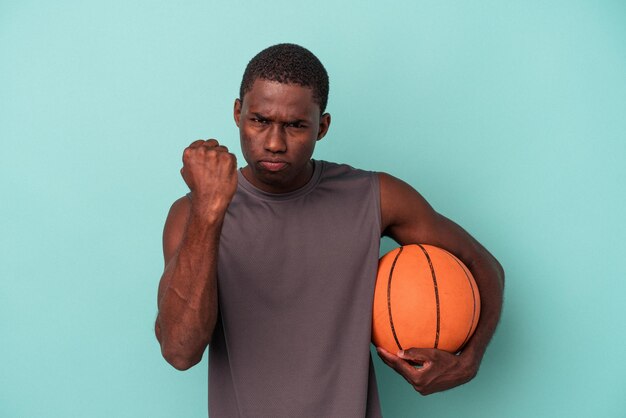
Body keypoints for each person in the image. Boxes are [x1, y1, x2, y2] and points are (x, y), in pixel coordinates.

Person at [155, 43, 504, 417]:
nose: (274, 143)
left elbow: (483, 265)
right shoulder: (191, 215)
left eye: (295, 125)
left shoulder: (376, 197)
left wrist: (469, 361)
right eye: (260, 120)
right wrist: (209, 211)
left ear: (321, 127)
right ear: (238, 113)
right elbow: (180, 351)